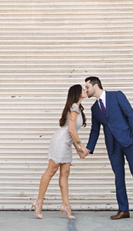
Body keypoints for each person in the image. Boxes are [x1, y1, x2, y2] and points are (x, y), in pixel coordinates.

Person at [85, 76, 133, 221]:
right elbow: (94, 130)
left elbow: (130, 114)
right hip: (112, 145)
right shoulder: (94, 108)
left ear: (95, 86)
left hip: (128, 140)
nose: (86, 90)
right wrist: (88, 149)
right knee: (119, 177)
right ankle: (123, 209)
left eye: (87, 87)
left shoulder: (116, 95)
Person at [31, 84, 90, 219]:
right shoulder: (74, 107)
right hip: (60, 142)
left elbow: (71, 132)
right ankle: (38, 203)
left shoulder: (77, 108)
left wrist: (77, 148)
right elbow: (71, 130)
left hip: (67, 143)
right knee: (51, 171)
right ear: (77, 93)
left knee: (65, 173)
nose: (86, 90)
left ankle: (66, 206)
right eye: (83, 89)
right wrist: (82, 146)